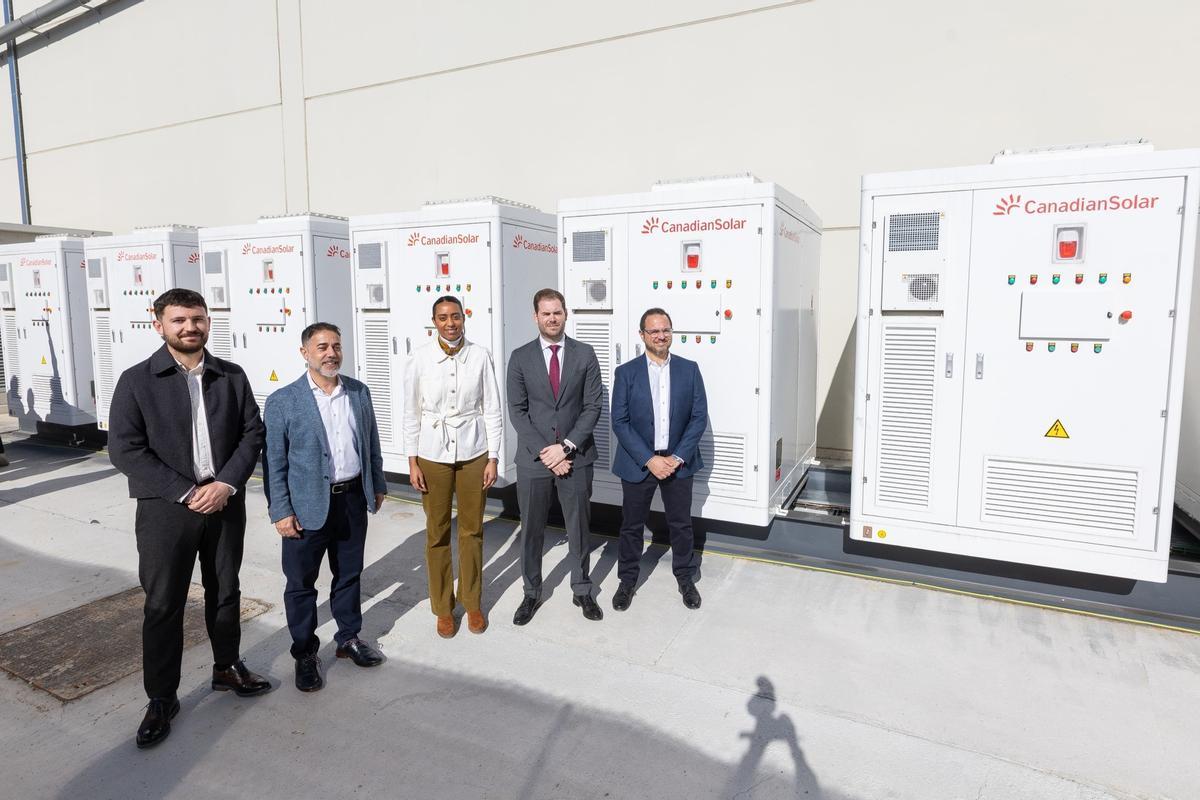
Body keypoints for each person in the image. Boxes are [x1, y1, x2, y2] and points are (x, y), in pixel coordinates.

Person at [108, 288, 270, 750]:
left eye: (197, 319)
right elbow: (125, 449)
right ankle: (161, 698)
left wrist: (226, 485)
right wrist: (185, 491)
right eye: (179, 320)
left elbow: (251, 432)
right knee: (164, 604)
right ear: (158, 324)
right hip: (165, 509)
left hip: (223, 502)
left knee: (226, 590)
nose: (190, 327)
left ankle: (226, 667)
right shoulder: (137, 381)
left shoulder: (231, 376)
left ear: (208, 323)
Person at [262, 322, 387, 692]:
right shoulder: (284, 401)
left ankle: (348, 639)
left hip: (350, 500)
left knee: (349, 575)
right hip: (305, 508)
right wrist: (281, 511)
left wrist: (376, 484)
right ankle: (304, 653)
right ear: (305, 353)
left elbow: (371, 444)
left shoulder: (359, 393)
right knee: (301, 584)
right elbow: (274, 463)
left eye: (335, 346)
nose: (330, 353)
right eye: (321, 347)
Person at [404, 296, 503, 638]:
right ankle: (443, 607)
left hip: (474, 452)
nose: (450, 323)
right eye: (443, 317)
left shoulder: (480, 355)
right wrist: (412, 460)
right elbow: (410, 412)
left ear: (465, 317)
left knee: (473, 530)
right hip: (432, 453)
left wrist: (493, 457)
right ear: (434, 321)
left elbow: (492, 408)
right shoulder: (419, 357)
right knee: (437, 532)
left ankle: (472, 602)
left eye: (456, 316)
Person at [506, 288, 605, 624]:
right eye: (546, 313)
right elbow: (518, 412)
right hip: (535, 460)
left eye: (557, 312)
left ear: (566, 314)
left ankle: (582, 589)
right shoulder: (520, 357)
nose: (552, 318)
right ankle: (531, 593)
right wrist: (548, 453)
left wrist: (566, 447)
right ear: (536, 317)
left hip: (575, 456)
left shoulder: (585, 354)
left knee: (579, 527)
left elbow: (593, 406)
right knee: (531, 530)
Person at [609, 308, 708, 611]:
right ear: (642, 335)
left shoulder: (689, 369)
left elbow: (698, 417)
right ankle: (627, 580)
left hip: (678, 462)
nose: (661, 335)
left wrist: (677, 457)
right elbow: (620, 421)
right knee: (631, 525)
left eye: (665, 329)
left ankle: (685, 577)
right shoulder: (626, 373)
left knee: (680, 524)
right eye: (654, 331)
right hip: (639, 463)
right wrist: (649, 459)